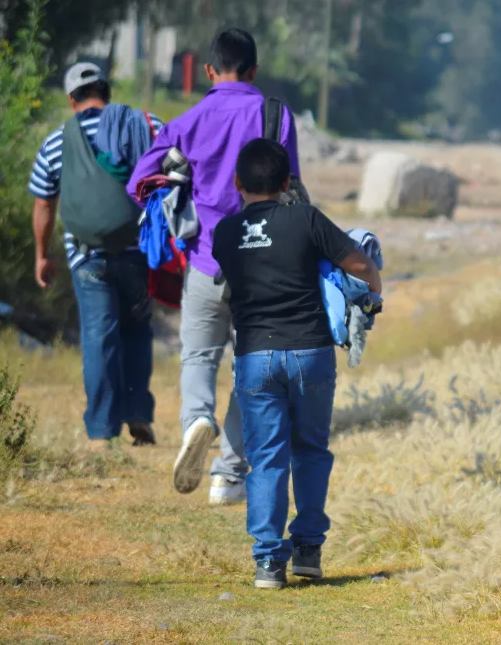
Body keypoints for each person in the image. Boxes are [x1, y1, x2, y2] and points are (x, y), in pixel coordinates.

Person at [128, 28, 301, 505]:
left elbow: (139, 181)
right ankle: (227, 474)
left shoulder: (189, 119)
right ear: (254, 70)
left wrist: (180, 174)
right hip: (264, 269)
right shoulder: (275, 115)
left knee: (199, 357)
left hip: (206, 262)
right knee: (252, 369)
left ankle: (196, 421)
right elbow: (293, 185)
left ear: (209, 71)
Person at [212, 138, 381, 589]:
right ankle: (307, 549)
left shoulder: (224, 233)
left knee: (266, 459)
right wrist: (375, 288)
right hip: (310, 352)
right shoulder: (305, 219)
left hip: (255, 357)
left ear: (237, 183)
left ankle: (269, 563)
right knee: (310, 450)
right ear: (287, 182)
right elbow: (359, 264)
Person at [29, 62, 163, 451]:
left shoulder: (56, 141)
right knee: (137, 330)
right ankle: (138, 413)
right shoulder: (144, 124)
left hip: (87, 255)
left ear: (72, 100)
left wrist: (41, 255)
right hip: (138, 251)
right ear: (107, 91)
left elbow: (43, 204)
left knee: (99, 336)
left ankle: (102, 432)